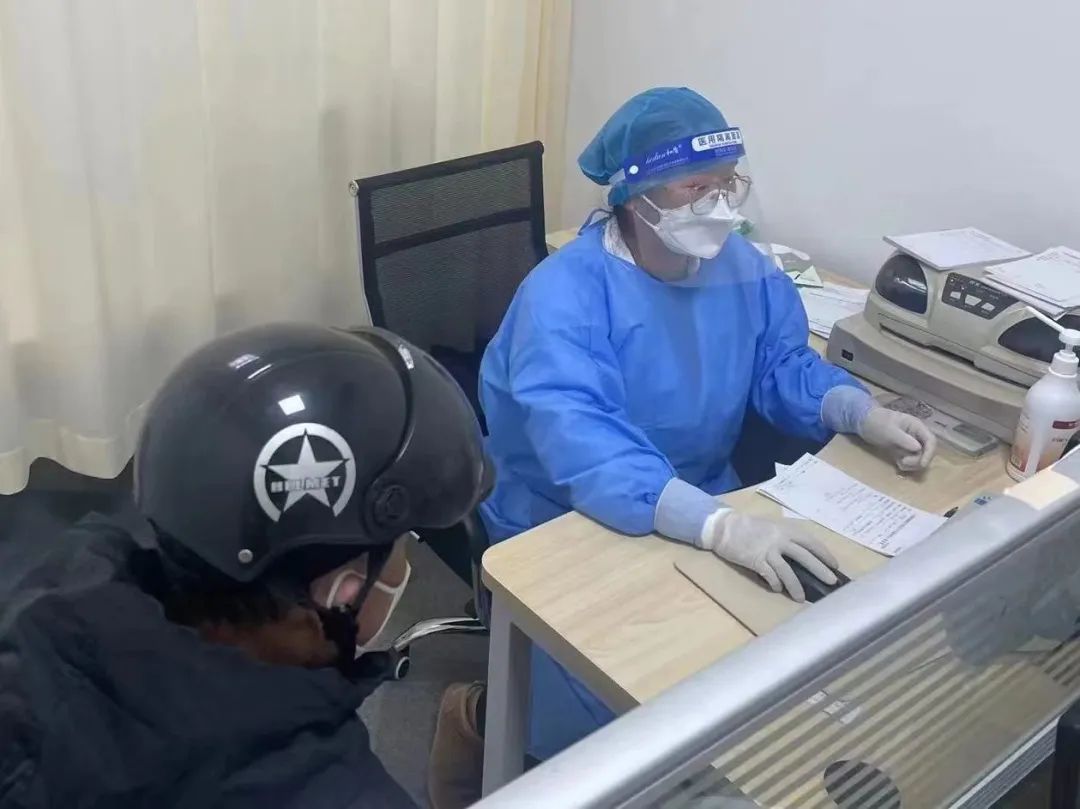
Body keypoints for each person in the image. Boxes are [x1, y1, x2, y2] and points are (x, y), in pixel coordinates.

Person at [477, 87, 938, 760]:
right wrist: (719, 526)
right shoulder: (564, 295)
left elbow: (780, 362)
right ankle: (481, 725)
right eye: (696, 188)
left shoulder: (739, 268)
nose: (717, 206)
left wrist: (858, 409)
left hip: (700, 499)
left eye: (727, 184)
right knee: (618, 719)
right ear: (636, 196)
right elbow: (588, 449)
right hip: (561, 518)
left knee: (749, 678)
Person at [0, 323, 492, 808]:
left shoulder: (51, 609)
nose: (405, 567)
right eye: (403, 543)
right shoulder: (338, 791)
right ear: (342, 590)